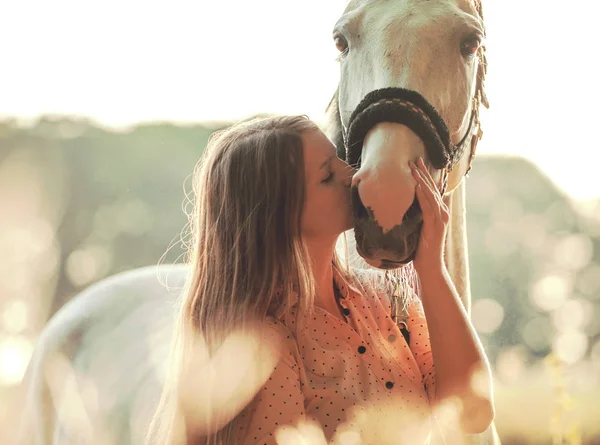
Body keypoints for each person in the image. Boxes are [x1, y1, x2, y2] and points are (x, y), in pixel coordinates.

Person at [145, 115, 494, 445]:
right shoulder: (269, 345)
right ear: (280, 215)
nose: (353, 175)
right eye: (328, 175)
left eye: (340, 159)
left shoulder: (386, 297)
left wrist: (431, 269)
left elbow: (473, 414)